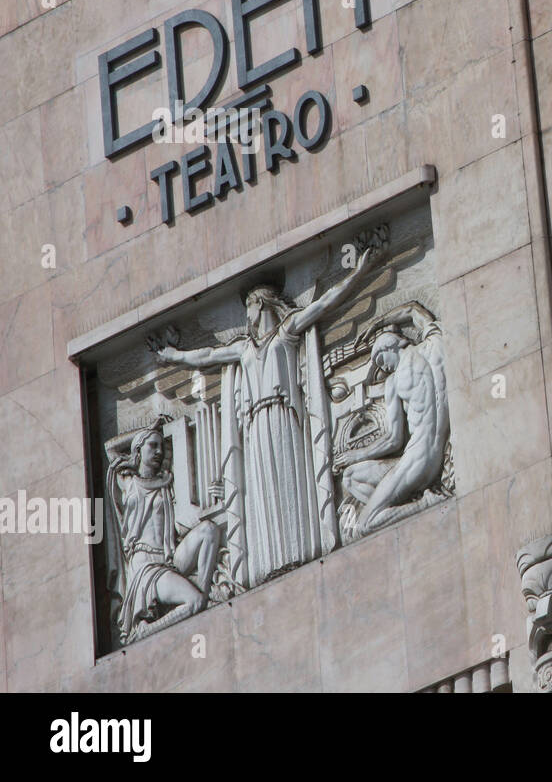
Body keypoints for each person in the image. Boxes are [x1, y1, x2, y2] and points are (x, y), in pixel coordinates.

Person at [148, 244, 380, 584]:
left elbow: (325, 302)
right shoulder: (244, 347)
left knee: (289, 482)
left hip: (284, 420)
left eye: (250, 306)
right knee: (263, 491)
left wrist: (358, 272)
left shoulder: (287, 332)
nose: (248, 314)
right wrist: (174, 356)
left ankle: (298, 549)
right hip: (256, 429)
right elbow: (209, 355)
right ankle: (271, 560)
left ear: (262, 303)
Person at [334, 325, 449, 536]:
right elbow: (417, 315)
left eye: (380, 360)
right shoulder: (431, 348)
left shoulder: (394, 382)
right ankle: (399, 500)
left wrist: (354, 455)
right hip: (431, 454)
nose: (383, 367)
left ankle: (424, 503)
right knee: (350, 477)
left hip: (417, 458)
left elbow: (394, 441)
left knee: (366, 524)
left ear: (389, 347)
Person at [112, 422, 221, 643]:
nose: (159, 451)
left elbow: (184, 518)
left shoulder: (165, 483)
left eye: (161, 446)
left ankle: (204, 588)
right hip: (146, 565)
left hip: (169, 558)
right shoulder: (128, 482)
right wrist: (152, 427)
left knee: (209, 530)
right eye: (152, 445)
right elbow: (110, 449)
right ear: (138, 450)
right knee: (193, 602)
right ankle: (145, 631)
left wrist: (220, 495)